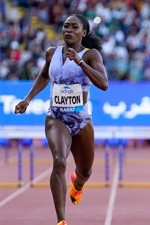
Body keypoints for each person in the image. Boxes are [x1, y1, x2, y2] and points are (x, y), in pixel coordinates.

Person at [14, 14, 108, 225]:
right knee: (59, 160)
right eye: (65, 26)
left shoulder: (91, 55)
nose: (68, 30)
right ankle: (61, 220)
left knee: (85, 171)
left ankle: (79, 184)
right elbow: (45, 76)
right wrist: (27, 99)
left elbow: (104, 84)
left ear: (83, 32)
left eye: (74, 27)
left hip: (81, 119)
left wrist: (81, 62)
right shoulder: (52, 53)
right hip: (56, 116)